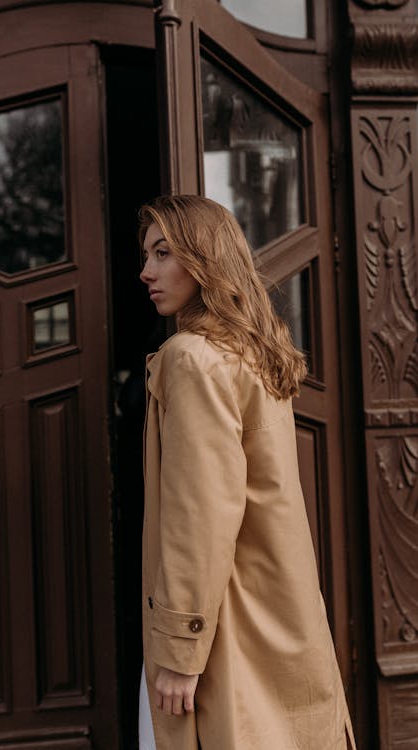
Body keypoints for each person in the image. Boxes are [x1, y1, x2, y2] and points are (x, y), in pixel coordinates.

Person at [137, 194, 356, 750]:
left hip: (222, 628)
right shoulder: (251, 352)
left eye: (163, 253)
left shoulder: (192, 358)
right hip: (279, 614)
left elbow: (201, 515)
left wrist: (180, 652)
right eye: (147, 255)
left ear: (204, 257)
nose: (146, 271)